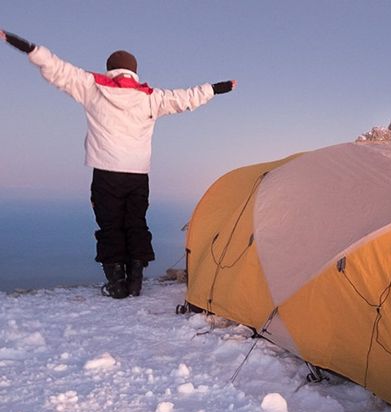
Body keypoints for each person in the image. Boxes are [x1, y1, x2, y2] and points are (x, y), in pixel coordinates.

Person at [1, 29, 236, 298]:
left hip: (106, 173)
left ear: (110, 69)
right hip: (138, 174)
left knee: (110, 226)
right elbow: (186, 98)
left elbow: (56, 68)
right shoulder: (151, 97)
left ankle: (116, 284)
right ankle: (136, 281)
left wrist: (22, 44)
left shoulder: (92, 87)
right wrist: (218, 88)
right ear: (134, 71)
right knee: (136, 223)